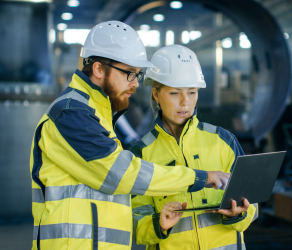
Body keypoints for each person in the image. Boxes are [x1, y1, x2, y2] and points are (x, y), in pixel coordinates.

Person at [29, 21, 230, 250]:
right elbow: (120, 174)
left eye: (138, 74)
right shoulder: (71, 113)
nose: (135, 84)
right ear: (98, 69)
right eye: (129, 74)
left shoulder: (97, 114)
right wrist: (197, 177)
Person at [131, 45, 259, 250]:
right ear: (156, 94)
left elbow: (252, 203)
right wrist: (159, 224)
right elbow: (135, 223)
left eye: (192, 92)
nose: (185, 102)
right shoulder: (141, 154)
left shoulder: (223, 141)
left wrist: (240, 213)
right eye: (174, 93)